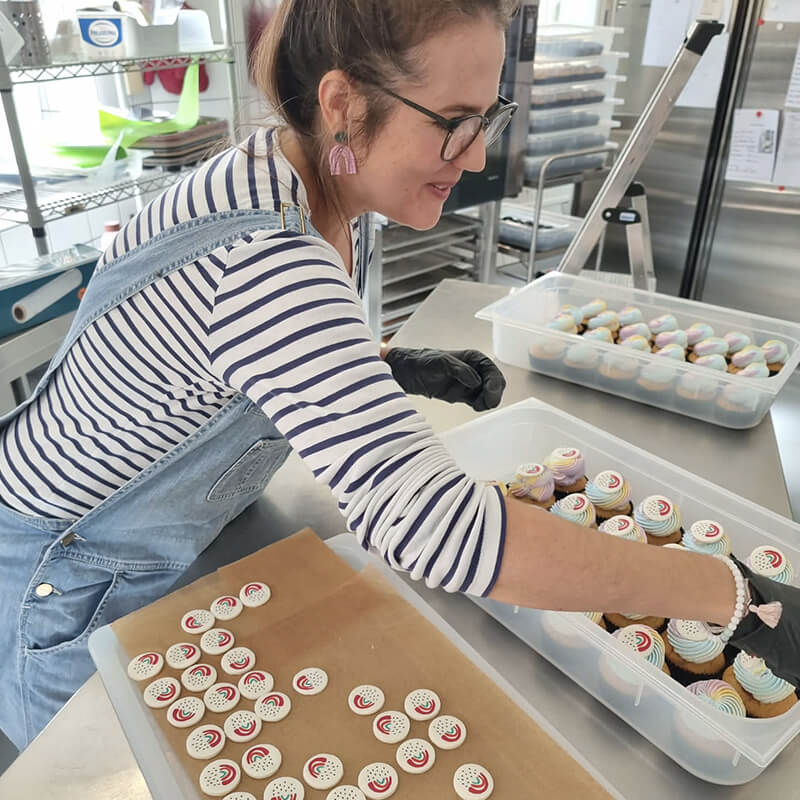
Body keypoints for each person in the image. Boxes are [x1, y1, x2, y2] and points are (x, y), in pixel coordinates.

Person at [0, 0, 797, 752]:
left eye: (488, 118)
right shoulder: (268, 253)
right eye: (454, 125)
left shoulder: (282, 170)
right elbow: (432, 529)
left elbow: (228, 356)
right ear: (343, 104)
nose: (479, 154)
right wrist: (726, 594)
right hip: (71, 578)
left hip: (151, 541)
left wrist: (386, 363)